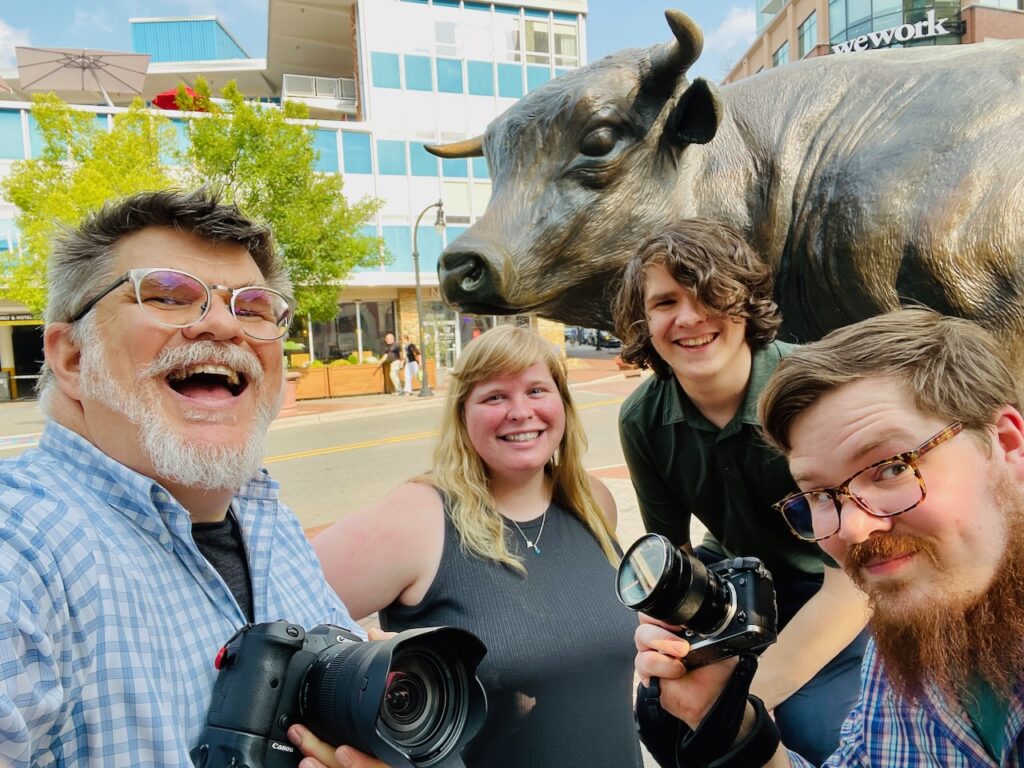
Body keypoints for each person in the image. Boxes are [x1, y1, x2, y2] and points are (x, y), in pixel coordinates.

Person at [0, 188, 386, 768]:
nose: (224, 326)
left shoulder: (266, 520)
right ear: (73, 357)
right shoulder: (23, 550)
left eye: (253, 307)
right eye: (167, 295)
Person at [635, 307, 1024, 766]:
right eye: (819, 495)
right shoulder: (914, 625)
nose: (854, 529)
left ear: (1006, 444)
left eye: (893, 468)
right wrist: (732, 730)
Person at [312, 324, 644, 768]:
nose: (520, 411)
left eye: (537, 390)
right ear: (463, 414)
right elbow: (273, 616)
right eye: (494, 397)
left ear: (563, 405)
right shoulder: (420, 518)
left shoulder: (593, 503)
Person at [614, 219, 870, 763]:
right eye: (664, 302)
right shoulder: (643, 418)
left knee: (813, 731)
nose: (689, 317)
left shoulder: (813, 389)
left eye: (710, 293)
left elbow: (853, 585)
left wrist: (742, 702)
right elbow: (671, 563)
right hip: (736, 582)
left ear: (746, 302)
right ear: (644, 321)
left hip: (836, 585)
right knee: (665, 721)